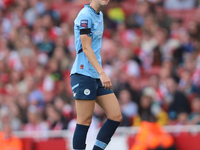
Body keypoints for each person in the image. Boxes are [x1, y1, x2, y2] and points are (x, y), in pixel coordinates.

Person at [70, 0, 122, 150]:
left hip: (95, 75)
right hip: (83, 74)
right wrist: (102, 72)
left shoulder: (99, 15)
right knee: (84, 122)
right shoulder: (85, 16)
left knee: (115, 116)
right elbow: (86, 48)